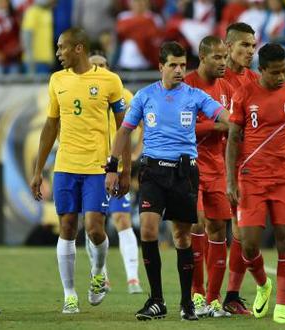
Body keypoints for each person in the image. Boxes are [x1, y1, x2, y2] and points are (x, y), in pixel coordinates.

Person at [105, 41, 230, 321]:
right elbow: (124, 132)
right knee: (148, 230)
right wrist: (114, 167)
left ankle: (187, 303)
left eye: (183, 65)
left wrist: (232, 120)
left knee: (181, 236)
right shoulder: (144, 96)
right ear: (161, 66)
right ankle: (156, 300)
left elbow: (222, 115)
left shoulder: (195, 96)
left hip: (184, 173)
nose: (178, 70)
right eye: (173, 65)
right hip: (152, 172)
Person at [29, 27, 130, 314]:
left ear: (78, 48)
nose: (58, 53)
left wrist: (122, 170)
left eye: (62, 47)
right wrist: (38, 170)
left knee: (95, 229)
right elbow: (50, 127)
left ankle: (99, 273)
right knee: (68, 227)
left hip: (98, 168)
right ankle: (70, 293)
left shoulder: (110, 81)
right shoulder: (56, 80)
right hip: (65, 167)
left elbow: (124, 128)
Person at [226, 43, 285, 324]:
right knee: (249, 245)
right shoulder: (244, 94)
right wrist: (230, 180)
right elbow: (232, 139)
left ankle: (280, 308)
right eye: (275, 72)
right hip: (252, 178)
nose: (281, 77)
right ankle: (263, 284)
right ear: (261, 69)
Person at [183, 36, 235, 318]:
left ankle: (214, 300)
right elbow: (183, 127)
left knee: (218, 229)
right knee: (197, 225)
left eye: (225, 57)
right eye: (217, 58)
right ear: (202, 57)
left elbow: (233, 127)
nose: (223, 63)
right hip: (190, 167)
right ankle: (197, 295)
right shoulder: (187, 85)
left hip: (217, 168)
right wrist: (215, 127)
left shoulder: (227, 88)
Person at [86, 53, 143, 294]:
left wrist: (136, 154)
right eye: (93, 66)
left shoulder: (124, 95)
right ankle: (102, 277)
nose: (98, 69)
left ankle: (133, 279)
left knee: (122, 220)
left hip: (117, 169)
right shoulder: (83, 95)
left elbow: (142, 126)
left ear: (109, 68)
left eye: (102, 65)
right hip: (90, 169)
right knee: (93, 225)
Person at [220, 22, 260, 316]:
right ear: (228, 46)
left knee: (242, 234)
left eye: (252, 45)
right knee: (202, 228)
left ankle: (231, 294)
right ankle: (200, 296)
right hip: (211, 163)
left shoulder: (258, 82)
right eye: (244, 45)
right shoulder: (217, 79)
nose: (250, 50)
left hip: (244, 167)